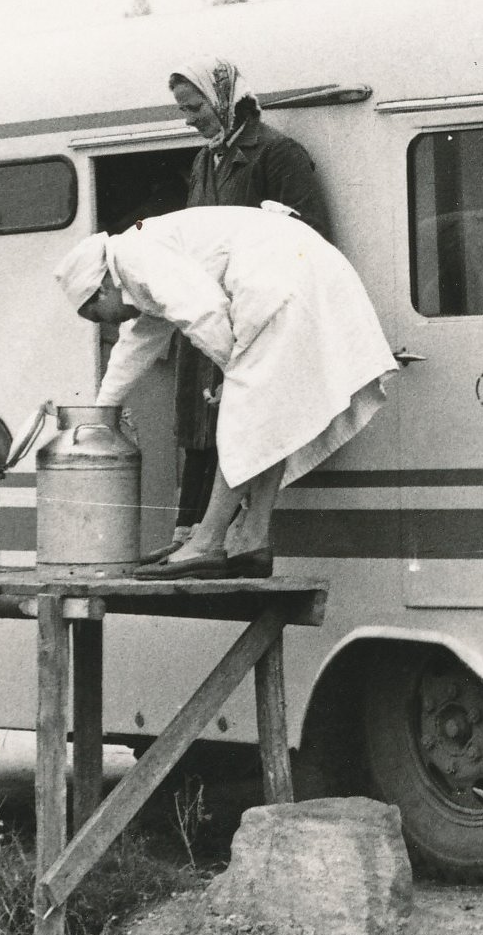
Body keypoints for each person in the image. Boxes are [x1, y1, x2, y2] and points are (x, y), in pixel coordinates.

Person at [54, 205, 395, 579]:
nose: (108, 323)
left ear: (101, 288)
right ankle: (253, 539)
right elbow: (135, 346)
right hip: (298, 269)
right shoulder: (135, 265)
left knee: (248, 406)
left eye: (98, 315)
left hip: (283, 274)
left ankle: (208, 542)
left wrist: (233, 372)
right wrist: (104, 410)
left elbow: (205, 312)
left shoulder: (135, 258)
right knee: (268, 414)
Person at [160, 59, 333, 564]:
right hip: (207, 316)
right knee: (201, 425)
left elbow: (310, 239)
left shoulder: (277, 154)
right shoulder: (204, 161)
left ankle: (230, 538)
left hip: (251, 317)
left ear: (223, 98)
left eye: (194, 107)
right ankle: (190, 532)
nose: (188, 119)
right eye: (183, 110)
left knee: (242, 423)